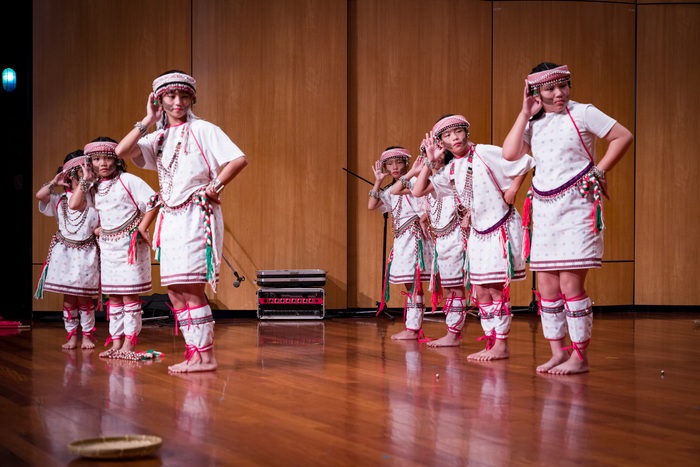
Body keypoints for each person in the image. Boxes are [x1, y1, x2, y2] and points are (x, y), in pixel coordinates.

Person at [502, 63, 633, 374]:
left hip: (577, 207)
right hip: (545, 210)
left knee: (570, 285)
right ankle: (558, 353)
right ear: (536, 92)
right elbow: (509, 154)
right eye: (550, 88)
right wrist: (524, 113)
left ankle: (580, 356)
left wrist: (599, 171)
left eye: (564, 85)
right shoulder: (533, 122)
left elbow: (623, 136)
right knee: (547, 287)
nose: (559, 93)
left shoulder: (583, 112)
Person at [115, 70, 248, 373]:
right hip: (171, 217)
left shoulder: (203, 129)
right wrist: (148, 119)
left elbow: (238, 159)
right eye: (171, 96)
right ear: (159, 99)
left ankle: (206, 357)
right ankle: (194, 353)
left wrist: (215, 186)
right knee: (175, 292)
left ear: (192, 99)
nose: (178, 102)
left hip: (195, 214)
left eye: (184, 96)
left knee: (191, 289)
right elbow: (121, 151)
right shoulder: (158, 137)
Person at [413, 115, 533, 356]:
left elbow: (526, 160)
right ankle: (491, 341)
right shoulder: (451, 168)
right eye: (447, 135)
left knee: (496, 289)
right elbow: (418, 191)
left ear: (466, 132)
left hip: (499, 227)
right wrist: (428, 161)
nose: (455, 138)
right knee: (480, 290)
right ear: (441, 142)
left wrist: (513, 188)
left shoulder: (485, 152)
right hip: (478, 234)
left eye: (458, 131)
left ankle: (501, 344)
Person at [69, 138, 156, 360]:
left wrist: (142, 227)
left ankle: (129, 342)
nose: (103, 163)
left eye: (108, 158)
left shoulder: (128, 180)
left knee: (129, 296)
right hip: (109, 248)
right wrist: (85, 180)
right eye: (96, 159)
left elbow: (154, 200)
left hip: (129, 247)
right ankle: (116, 342)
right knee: (114, 297)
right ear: (90, 163)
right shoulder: (94, 187)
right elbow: (74, 204)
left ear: (117, 159)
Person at [35, 150, 100, 350]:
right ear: (69, 175)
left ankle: (87, 336)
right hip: (65, 255)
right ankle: (72, 335)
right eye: (78, 173)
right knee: (69, 299)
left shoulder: (94, 197)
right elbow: (40, 195)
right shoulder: (59, 198)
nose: (83, 176)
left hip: (87, 253)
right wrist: (54, 182)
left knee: (85, 299)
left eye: (85, 172)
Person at [368, 147, 432, 340]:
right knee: (409, 283)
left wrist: (423, 218)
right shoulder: (390, 189)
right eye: (389, 164)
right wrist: (378, 181)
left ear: (406, 163)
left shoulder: (415, 181)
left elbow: (427, 204)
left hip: (414, 236)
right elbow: (372, 205)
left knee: (414, 282)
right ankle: (412, 327)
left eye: (398, 162)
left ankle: (413, 328)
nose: (394, 167)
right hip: (402, 238)